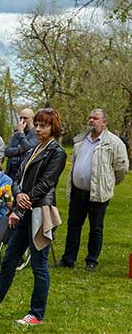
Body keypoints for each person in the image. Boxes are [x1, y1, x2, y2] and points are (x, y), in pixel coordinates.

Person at [0, 108, 66, 325]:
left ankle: (36, 314)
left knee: (39, 264)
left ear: (53, 127)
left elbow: (47, 183)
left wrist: (24, 201)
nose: (37, 128)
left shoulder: (57, 152)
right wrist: (18, 197)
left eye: (43, 125)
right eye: (36, 124)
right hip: (23, 210)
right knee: (8, 261)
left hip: (40, 212)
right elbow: (16, 178)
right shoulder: (34, 149)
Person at [58, 108, 129, 270]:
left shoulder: (114, 143)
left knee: (95, 228)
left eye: (95, 118)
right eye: (90, 117)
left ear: (104, 122)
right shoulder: (80, 140)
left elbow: (121, 169)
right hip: (78, 191)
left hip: (98, 193)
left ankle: (91, 260)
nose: (91, 120)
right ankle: (68, 259)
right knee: (73, 226)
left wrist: (108, 183)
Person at [4, 108, 38, 182]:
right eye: (21, 118)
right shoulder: (16, 133)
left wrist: (21, 133)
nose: (22, 121)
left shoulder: (36, 133)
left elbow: (28, 149)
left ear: (32, 119)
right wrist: (20, 149)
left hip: (24, 174)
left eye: (25, 118)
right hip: (10, 172)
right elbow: (7, 151)